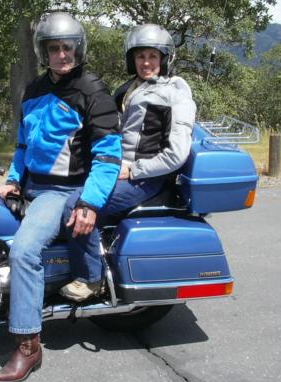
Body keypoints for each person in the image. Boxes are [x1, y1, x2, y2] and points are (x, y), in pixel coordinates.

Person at [0, 12, 121, 382]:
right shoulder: (33, 90)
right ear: (43, 52)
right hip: (32, 185)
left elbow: (108, 156)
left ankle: (28, 345)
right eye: (54, 48)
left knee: (23, 251)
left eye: (68, 47)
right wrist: (12, 180)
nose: (62, 55)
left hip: (62, 190)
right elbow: (23, 145)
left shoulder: (92, 91)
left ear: (79, 49)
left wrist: (89, 203)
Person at [59, 23, 197, 302]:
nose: (146, 63)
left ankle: (90, 277)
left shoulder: (175, 93)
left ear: (165, 59)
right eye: (140, 56)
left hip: (145, 178)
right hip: (116, 168)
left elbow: (177, 153)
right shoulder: (130, 88)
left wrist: (134, 170)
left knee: (76, 205)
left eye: (153, 56)